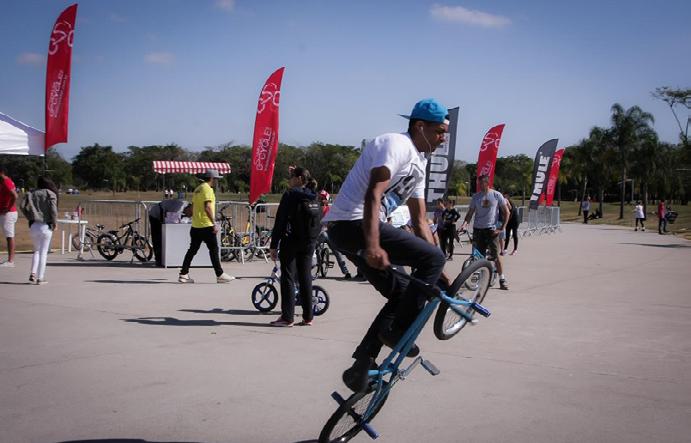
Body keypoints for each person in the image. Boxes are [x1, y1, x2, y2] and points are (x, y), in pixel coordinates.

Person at [324, 98, 450, 392]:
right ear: (420, 126)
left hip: (356, 230)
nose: (443, 138)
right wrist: (373, 245)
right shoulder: (396, 144)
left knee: (402, 293)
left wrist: (438, 267)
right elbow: (373, 194)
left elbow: (420, 221)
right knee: (430, 261)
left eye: (446, 133)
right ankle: (399, 331)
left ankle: (361, 365)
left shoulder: (420, 162)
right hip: (351, 224)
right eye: (439, 131)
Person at [269, 167, 321, 327]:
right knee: (305, 276)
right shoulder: (314, 194)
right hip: (309, 242)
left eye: (291, 177)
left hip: (291, 241)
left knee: (288, 277)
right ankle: (308, 317)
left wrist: (273, 244)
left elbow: (280, 221)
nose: (289, 180)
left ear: (298, 178)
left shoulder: (290, 195)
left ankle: (287, 317)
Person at [178, 169, 235, 283]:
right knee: (214, 250)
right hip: (206, 225)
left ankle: (183, 274)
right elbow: (207, 207)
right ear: (212, 179)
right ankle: (220, 274)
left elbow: (192, 208)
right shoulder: (207, 189)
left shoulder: (197, 189)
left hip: (196, 226)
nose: (216, 182)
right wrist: (213, 223)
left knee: (192, 250)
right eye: (216, 179)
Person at [461, 174, 510, 290]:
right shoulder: (476, 197)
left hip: (491, 229)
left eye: (481, 183)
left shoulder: (496, 195)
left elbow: (506, 212)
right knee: (478, 256)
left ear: (487, 183)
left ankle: (502, 279)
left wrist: (501, 228)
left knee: (496, 255)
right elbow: (470, 213)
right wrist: (464, 224)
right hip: (478, 230)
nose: (479, 185)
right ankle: (479, 277)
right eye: (478, 183)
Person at [19, 177, 58, 284]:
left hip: (34, 225)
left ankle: (33, 273)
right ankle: (40, 277)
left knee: (36, 250)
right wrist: (55, 222)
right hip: (45, 225)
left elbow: (22, 206)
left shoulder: (31, 193)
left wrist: (29, 216)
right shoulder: (50, 193)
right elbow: (53, 210)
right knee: (43, 252)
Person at [317, 190, 352, 279]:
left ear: (326, 200)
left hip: (327, 234)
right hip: (321, 235)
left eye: (323, 198)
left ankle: (346, 271)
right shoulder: (317, 208)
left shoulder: (330, 210)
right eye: (320, 197)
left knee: (337, 252)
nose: (320, 199)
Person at [148, 198, 191, 267]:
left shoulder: (185, 206)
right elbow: (171, 223)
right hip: (155, 214)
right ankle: (159, 260)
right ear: (189, 208)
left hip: (164, 213)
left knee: (164, 238)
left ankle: (164, 258)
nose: (189, 216)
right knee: (158, 238)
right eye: (190, 214)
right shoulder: (178, 207)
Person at [0, 167, 18, 267]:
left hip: (8, 214)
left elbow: (15, 196)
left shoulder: (6, 181)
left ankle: (11, 261)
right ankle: (10, 260)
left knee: (9, 237)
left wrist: (8, 207)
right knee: (8, 236)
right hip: (4, 213)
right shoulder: (4, 181)